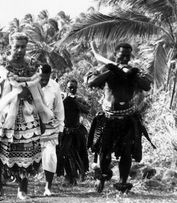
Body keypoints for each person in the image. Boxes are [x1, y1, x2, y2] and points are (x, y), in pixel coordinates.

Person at [0, 32, 53, 200]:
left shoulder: (32, 65)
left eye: (23, 47)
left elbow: (38, 91)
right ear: (10, 45)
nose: (19, 50)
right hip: (3, 112)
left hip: (26, 112)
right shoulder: (0, 64)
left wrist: (41, 114)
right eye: (16, 46)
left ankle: (22, 190)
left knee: (26, 152)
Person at [86, 43, 151, 193]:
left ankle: (122, 183)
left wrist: (133, 74)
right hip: (108, 119)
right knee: (104, 150)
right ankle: (101, 176)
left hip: (127, 119)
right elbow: (91, 82)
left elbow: (146, 86)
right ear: (116, 55)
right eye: (122, 56)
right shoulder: (107, 68)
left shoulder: (133, 71)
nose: (125, 58)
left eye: (128, 56)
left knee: (127, 152)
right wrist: (111, 71)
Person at [57, 79, 90, 185]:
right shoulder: (62, 98)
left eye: (74, 87)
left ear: (77, 88)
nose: (72, 89)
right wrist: (65, 100)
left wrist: (75, 103)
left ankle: (77, 176)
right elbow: (55, 110)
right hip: (65, 131)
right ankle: (68, 177)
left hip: (77, 131)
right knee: (64, 154)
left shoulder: (79, 99)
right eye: (70, 87)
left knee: (78, 154)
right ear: (66, 88)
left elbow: (87, 110)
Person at [39, 64, 65, 196]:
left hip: (49, 127)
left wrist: (60, 128)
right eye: (41, 78)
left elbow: (59, 109)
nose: (43, 81)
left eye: (45, 79)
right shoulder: (31, 84)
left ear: (50, 75)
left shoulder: (54, 87)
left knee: (50, 156)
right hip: (30, 126)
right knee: (27, 156)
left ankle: (48, 187)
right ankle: (22, 188)